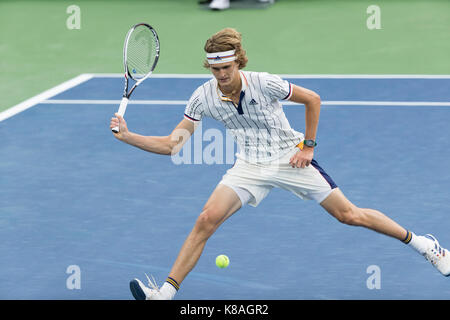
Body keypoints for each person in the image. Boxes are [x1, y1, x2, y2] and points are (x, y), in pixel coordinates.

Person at [110, 28, 450, 300]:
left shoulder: (265, 83)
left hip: (290, 157)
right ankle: (165, 294)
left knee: (349, 215)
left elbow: (313, 99)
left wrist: (308, 146)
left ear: (238, 62)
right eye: (215, 70)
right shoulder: (203, 96)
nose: (221, 75)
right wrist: (128, 136)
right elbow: (174, 145)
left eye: (226, 68)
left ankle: (425, 245)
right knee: (206, 219)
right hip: (249, 165)